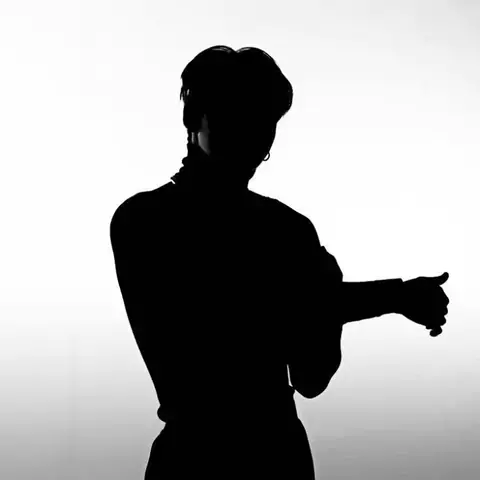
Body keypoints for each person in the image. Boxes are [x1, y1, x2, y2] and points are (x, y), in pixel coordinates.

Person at [109, 45, 450, 480]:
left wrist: (332, 299)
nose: (254, 138)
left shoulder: (289, 228)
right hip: (198, 459)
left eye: (265, 122)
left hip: (276, 457)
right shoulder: (144, 221)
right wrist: (386, 297)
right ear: (194, 118)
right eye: (237, 117)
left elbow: (311, 376)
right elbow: (244, 311)